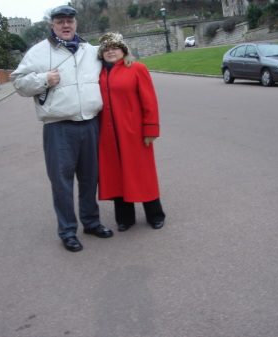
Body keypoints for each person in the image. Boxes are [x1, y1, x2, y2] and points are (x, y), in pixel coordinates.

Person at [10, 5, 113, 252]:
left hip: (90, 124)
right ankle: (67, 231)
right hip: (59, 127)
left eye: (70, 21)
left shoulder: (91, 51)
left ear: (76, 23)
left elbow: (116, 65)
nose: (66, 25)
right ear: (52, 25)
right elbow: (19, 82)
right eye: (60, 21)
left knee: (90, 179)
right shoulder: (38, 52)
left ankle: (91, 222)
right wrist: (44, 79)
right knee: (62, 182)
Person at [97, 32, 166, 232]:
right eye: (107, 49)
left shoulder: (137, 69)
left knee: (142, 173)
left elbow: (149, 101)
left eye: (115, 48)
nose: (111, 52)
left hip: (134, 133)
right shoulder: (99, 74)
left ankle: (155, 215)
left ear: (123, 50)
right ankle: (125, 218)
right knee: (117, 175)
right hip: (108, 134)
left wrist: (150, 129)